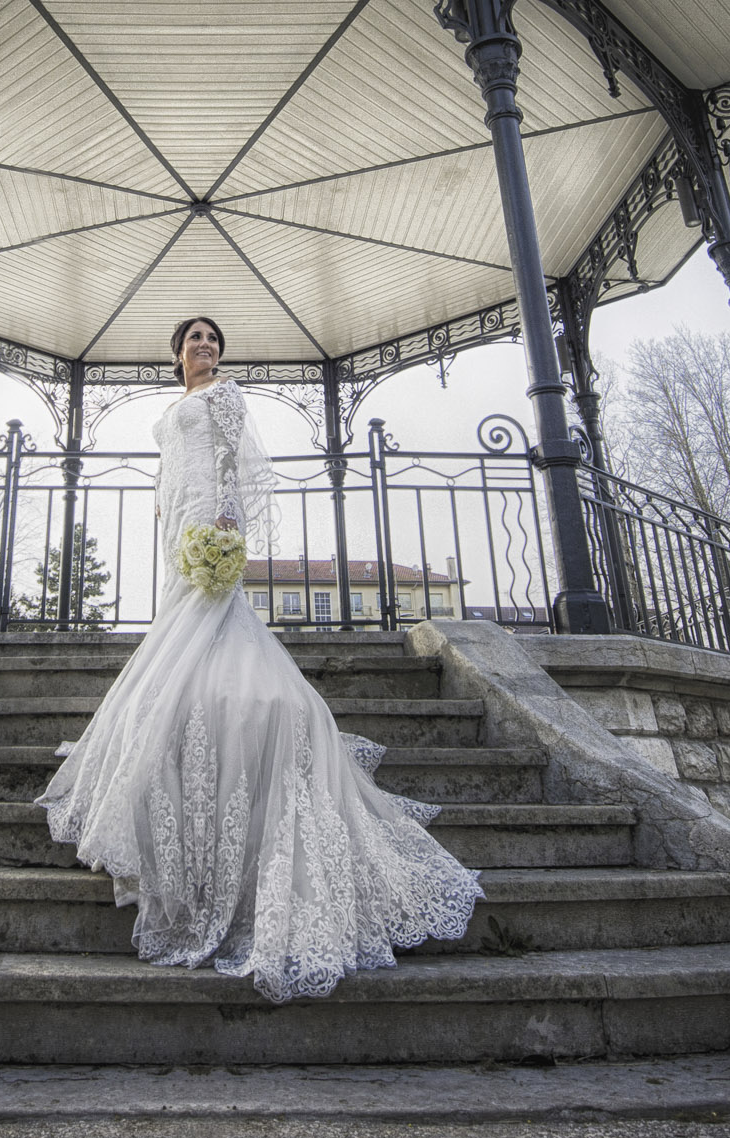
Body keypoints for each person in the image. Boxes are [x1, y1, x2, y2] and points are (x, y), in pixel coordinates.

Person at [35, 315, 481, 1001]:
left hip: (210, 523)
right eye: (194, 340)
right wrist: (173, 527)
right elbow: (172, 473)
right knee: (178, 641)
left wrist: (226, 529)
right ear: (176, 352)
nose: (205, 348)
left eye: (213, 340)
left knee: (218, 629)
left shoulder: (224, 396)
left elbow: (233, 464)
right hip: (179, 525)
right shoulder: (174, 405)